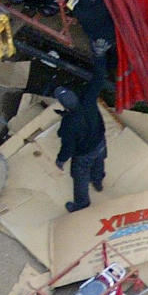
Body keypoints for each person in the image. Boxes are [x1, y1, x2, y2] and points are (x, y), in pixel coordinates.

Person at [54, 42, 110, 212]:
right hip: (100, 143)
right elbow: (99, 78)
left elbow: (68, 146)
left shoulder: (69, 124)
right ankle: (98, 182)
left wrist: (61, 160)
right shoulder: (87, 99)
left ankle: (81, 203)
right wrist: (99, 55)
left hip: (84, 154)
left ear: (65, 106)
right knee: (99, 163)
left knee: (79, 178)